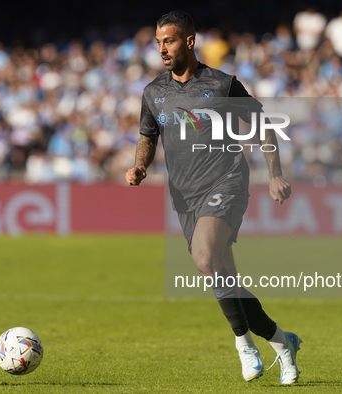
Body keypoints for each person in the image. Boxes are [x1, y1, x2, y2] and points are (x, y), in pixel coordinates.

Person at [125, 10, 301, 384]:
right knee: (224, 278)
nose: (162, 49)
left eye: (168, 41)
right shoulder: (154, 92)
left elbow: (262, 126)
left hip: (226, 182)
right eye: (158, 42)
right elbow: (147, 135)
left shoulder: (222, 85)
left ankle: (244, 347)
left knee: (205, 259)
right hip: (184, 197)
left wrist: (274, 174)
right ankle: (284, 344)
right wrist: (140, 166)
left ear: (189, 41)